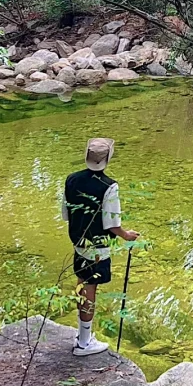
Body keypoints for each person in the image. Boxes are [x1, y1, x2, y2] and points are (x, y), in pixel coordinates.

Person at [63, 136, 139, 357]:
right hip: (97, 248)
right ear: (107, 159)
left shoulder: (71, 179)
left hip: (78, 243)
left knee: (82, 283)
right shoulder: (110, 186)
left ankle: (81, 335)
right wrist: (127, 235)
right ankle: (84, 343)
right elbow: (112, 223)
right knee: (90, 290)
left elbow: (66, 214)